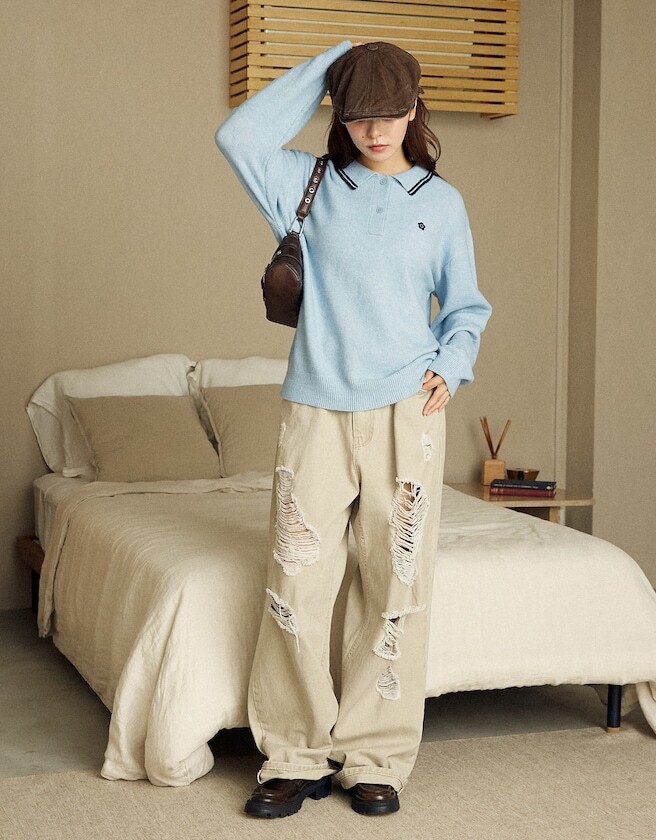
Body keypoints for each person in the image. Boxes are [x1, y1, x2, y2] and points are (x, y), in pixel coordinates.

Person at [215, 40, 491, 818]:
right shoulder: (305, 184)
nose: (375, 131)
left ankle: (377, 755)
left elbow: (465, 305)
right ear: (340, 113)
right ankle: (294, 753)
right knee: (295, 582)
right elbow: (237, 135)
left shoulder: (441, 203)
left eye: (390, 114)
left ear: (415, 110)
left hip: (408, 412)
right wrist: (333, 63)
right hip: (316, 413)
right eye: (359, 114)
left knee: (394, 583)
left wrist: (453, 363)